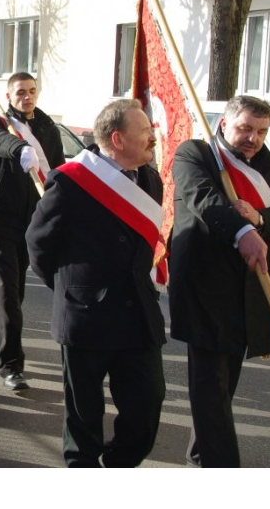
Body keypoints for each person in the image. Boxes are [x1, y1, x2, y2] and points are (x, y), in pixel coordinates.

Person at [27, 99, 166, 467]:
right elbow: (38, 244)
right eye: (146, 133)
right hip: (87, 315)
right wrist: (71, 291)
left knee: (146, 407)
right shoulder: (71, 180)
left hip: (137, 313)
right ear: (118, 139)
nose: (154, 138)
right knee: (83, 419)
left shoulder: (150, 177)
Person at [168, 95, 270, 467]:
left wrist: (259, 220)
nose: (252, 138)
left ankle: (200, 455)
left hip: (250, 290)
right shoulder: (196, 154)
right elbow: (202, 199)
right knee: (211, 386)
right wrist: (242, 231)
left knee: (223, 388)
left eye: (261, 131)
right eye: (245, 128)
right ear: (225, 124)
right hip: (205, 288)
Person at [0, 72, 65, 391]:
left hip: (31, 220)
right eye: (20, 92)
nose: (26, 97)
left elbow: (57, 168)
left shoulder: (47, 128)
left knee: (13, 290)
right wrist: (19, 149)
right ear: (8, 95)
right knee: (7, 290)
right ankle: (11, 365)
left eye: (31, 91)